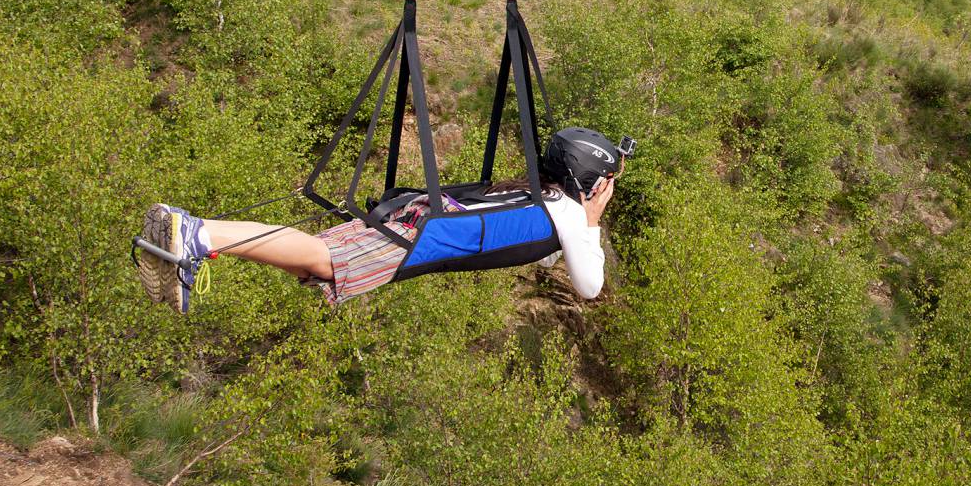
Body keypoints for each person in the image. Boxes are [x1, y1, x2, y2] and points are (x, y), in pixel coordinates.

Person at [136, 127, 628, 314]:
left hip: (416, 215)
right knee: (324, 260)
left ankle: (196, 241)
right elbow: (589, 284)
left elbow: (538, 254)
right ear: (595, 183)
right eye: (610, 182)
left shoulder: (535, 192)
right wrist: (592, 221)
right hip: (421, 238)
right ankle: (196, 233)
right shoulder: (567, 213)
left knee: (311, 264)